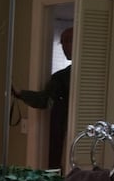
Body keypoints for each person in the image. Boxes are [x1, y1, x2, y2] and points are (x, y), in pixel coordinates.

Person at [12, 26, 73, 169]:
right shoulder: (60, 77)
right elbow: (46, 100)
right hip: (60, 133)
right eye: (62, 42)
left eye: (69, 41)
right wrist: (20, 94)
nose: (64, 46)